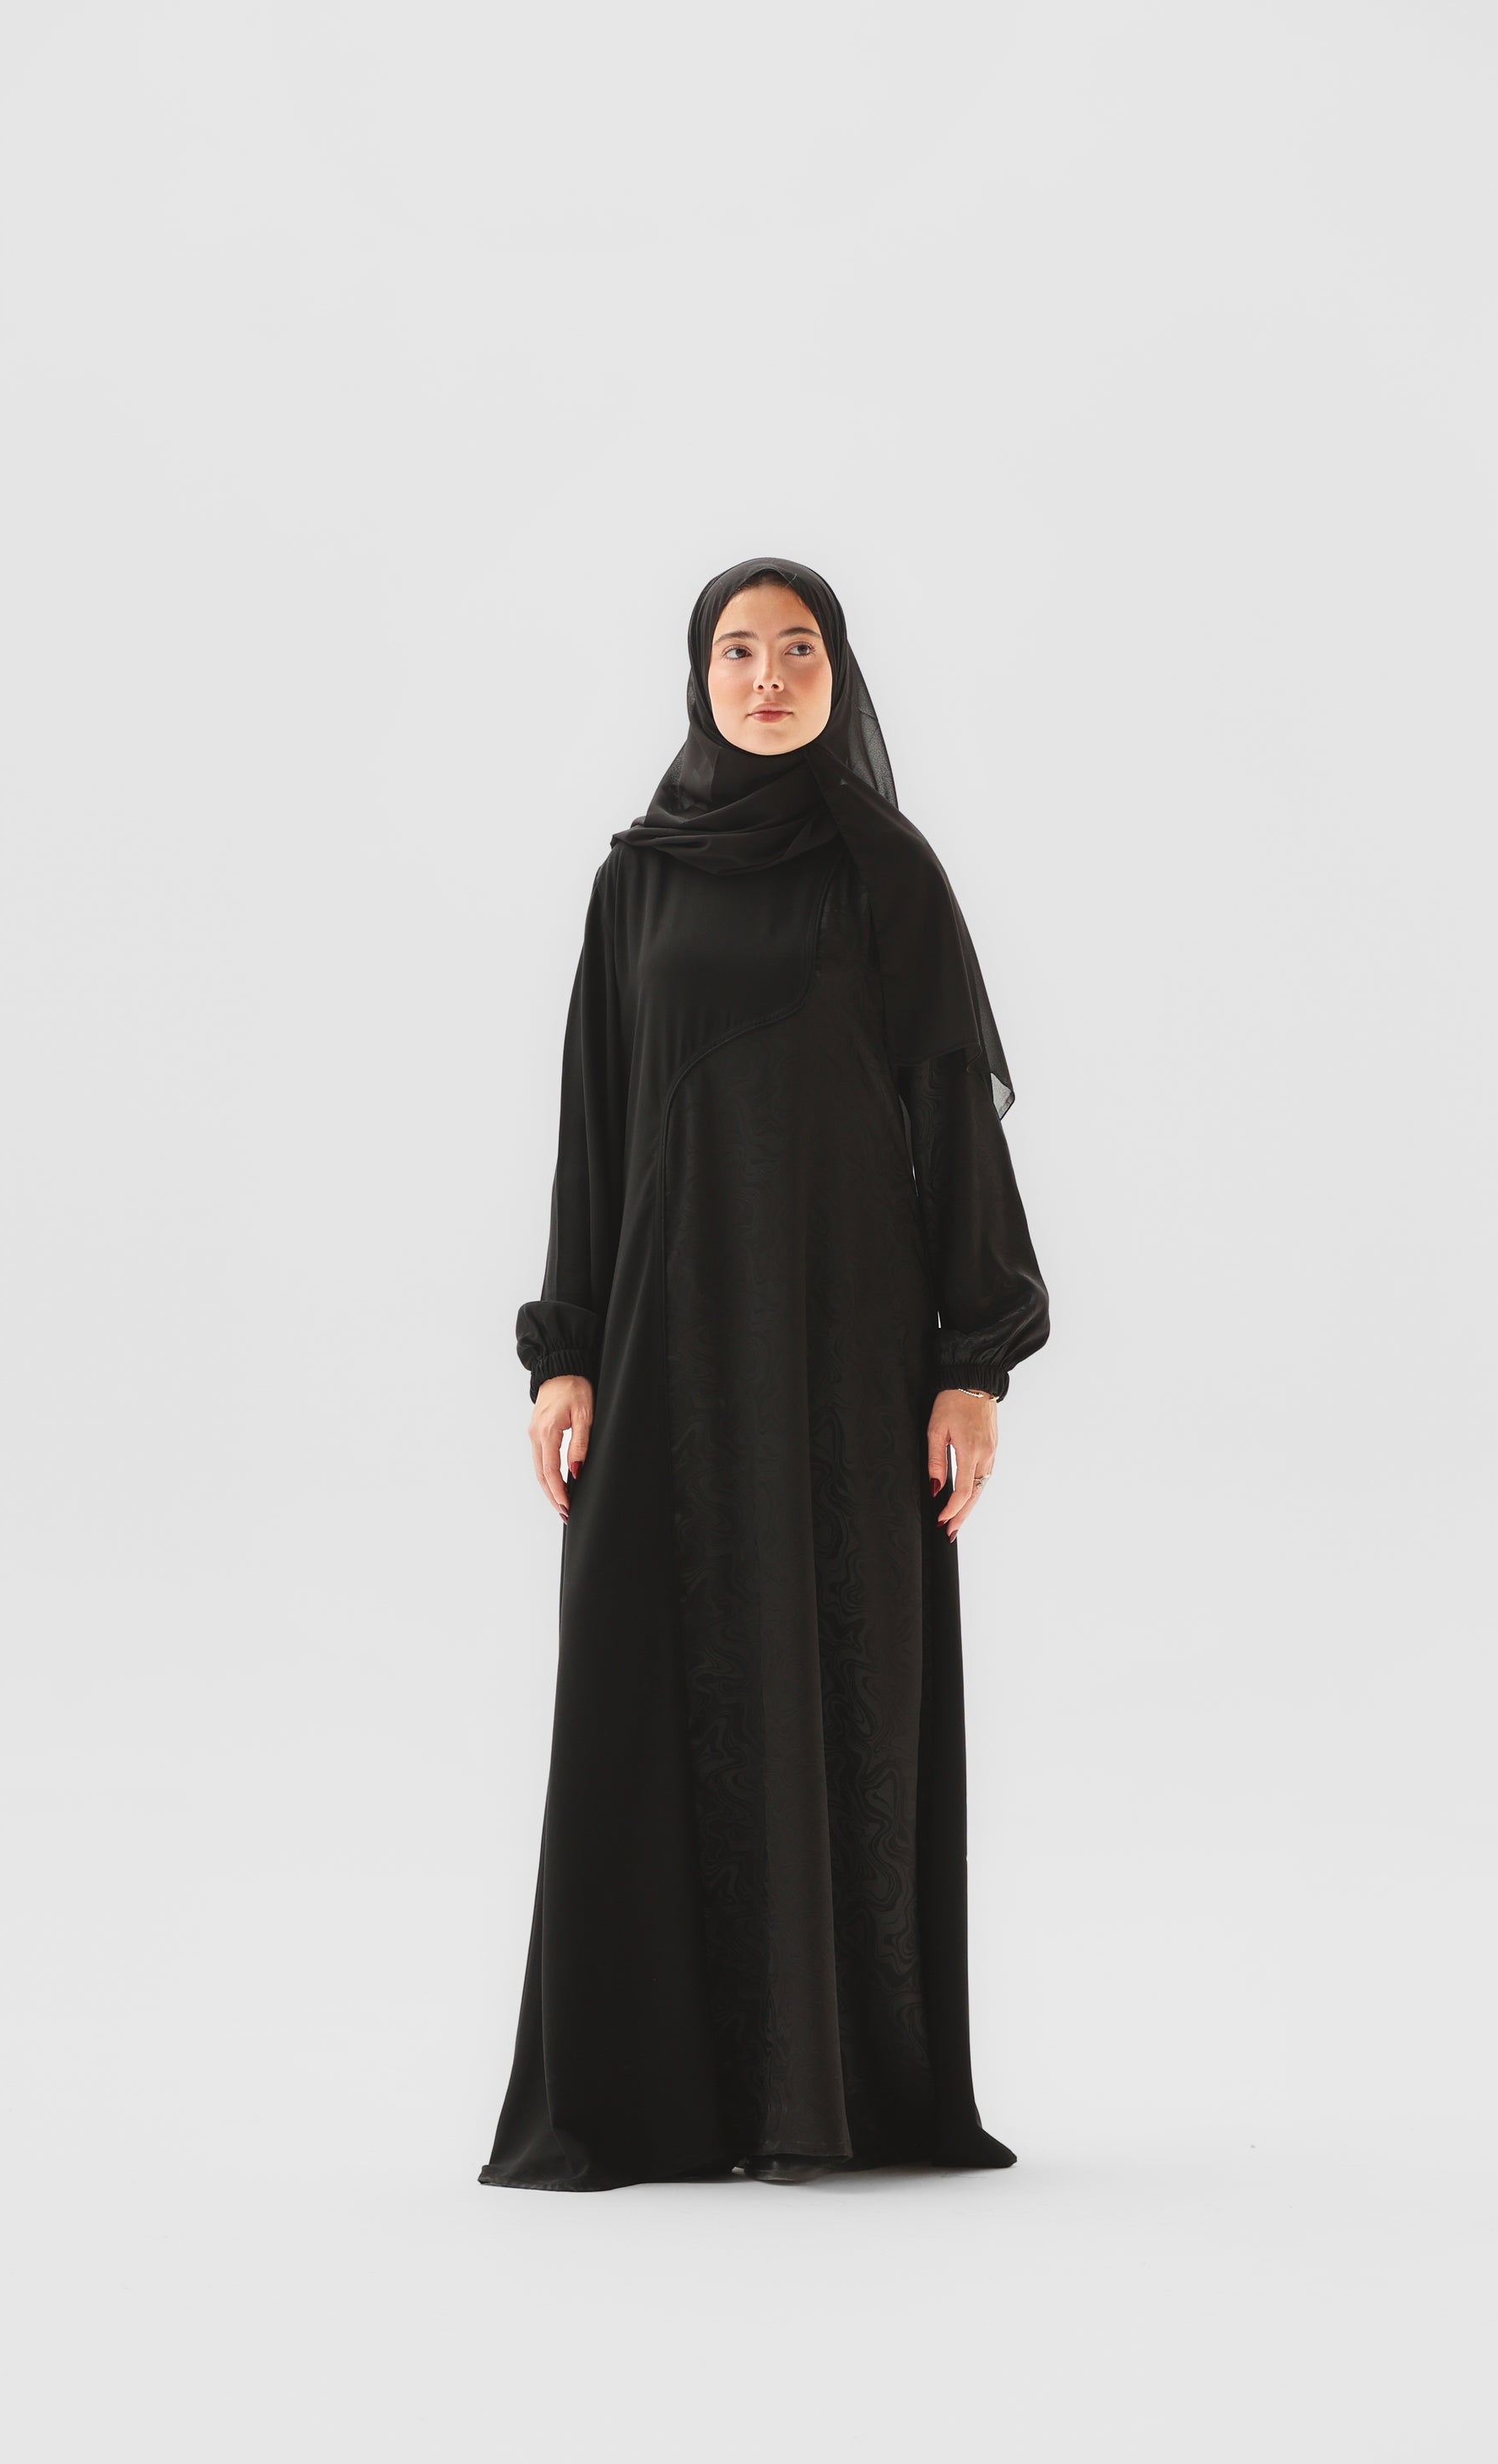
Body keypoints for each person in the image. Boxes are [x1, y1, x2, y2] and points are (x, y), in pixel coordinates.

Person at [480, 559, 1050, 2191]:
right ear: (699, 676)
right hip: (665, 1338)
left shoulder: (886, 872)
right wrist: (564, 1351)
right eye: (738, 651)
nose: (768, 678)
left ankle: (832, 2094)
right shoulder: (635, 883)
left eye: (799, 651)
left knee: (839, 1666)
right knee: (648, 1670)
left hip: (842, 1343)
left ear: (837, 677)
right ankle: (654, 2100)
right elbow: (594, 1122)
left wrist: (970, 1363)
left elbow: (950, 1119)